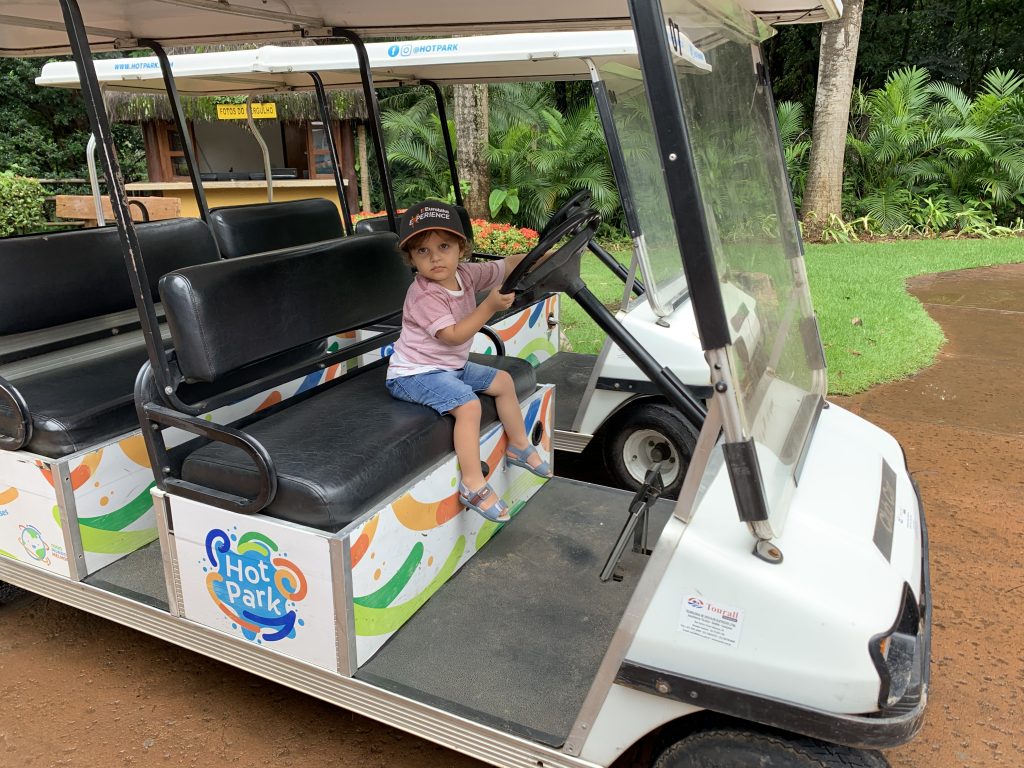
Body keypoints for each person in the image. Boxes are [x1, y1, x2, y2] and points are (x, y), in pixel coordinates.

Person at [386, 200, 550, 523]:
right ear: (411, 259)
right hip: (414, 373)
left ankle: (518, 446)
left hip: (449, 366)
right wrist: (489, 306)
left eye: (443, 246)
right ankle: (472, 485)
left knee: (503, 382)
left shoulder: (465, 274)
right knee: (469, 405)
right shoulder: (423, 295)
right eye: (422, 251)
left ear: (461, 248)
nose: (434, 258)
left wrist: (542, 257)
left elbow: (504, 267)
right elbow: (454, 336)